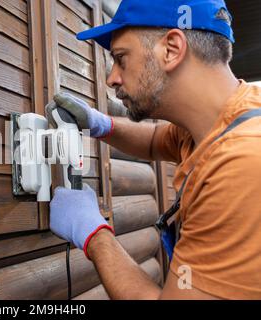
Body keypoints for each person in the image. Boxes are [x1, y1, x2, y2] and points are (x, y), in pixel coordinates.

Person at [47, 0, 261, 300]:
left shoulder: (242, 164)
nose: (112, 78)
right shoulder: (225, 116)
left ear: (172, 49)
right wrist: (100, 124)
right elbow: (156, 140)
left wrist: (93, 234)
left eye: (121, 58)